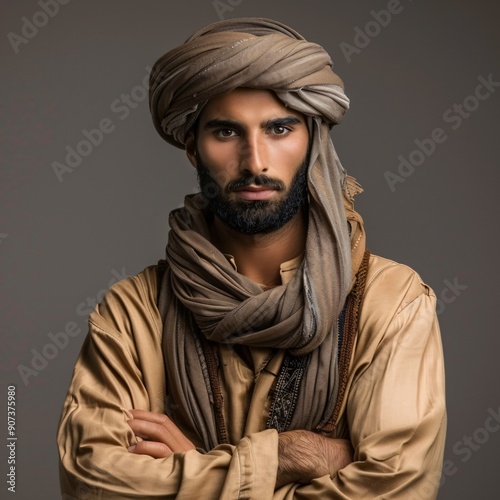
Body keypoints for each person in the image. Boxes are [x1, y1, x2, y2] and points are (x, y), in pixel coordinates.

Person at [57, 17, 446, 499]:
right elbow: (91, 482)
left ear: (313, 143)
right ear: (193, 151)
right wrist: (290, 456)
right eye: (225, 132)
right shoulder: (134, 313)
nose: (255, 161)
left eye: (280, 128)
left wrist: (194, 467)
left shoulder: (391, 303)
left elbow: (396, 491)